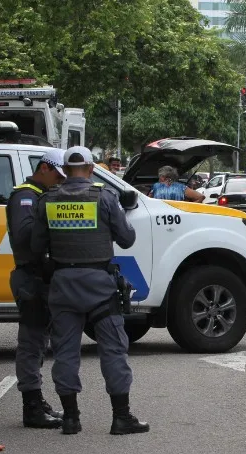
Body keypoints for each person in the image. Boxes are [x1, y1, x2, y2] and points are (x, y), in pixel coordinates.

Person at [31, 146, 149, 435]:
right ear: (91, 167)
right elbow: (127, 239)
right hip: (99, 286)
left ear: (66, 170)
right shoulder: (104, 197)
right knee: (113, 351)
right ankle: (121, 418)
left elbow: (36, 247)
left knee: (65, 353)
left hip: (63, 286)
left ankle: (70, 418)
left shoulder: (48, 200)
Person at [6, 149, 68, 428]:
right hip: (31, 279)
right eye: (58, 175)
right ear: (44, 168)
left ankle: (36, 399)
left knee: (40, 343)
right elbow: (24, 235)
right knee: (31, 344)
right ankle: (31, 407)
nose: (60, 180)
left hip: (42, 278)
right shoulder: (25, 196)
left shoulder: (42, 195)